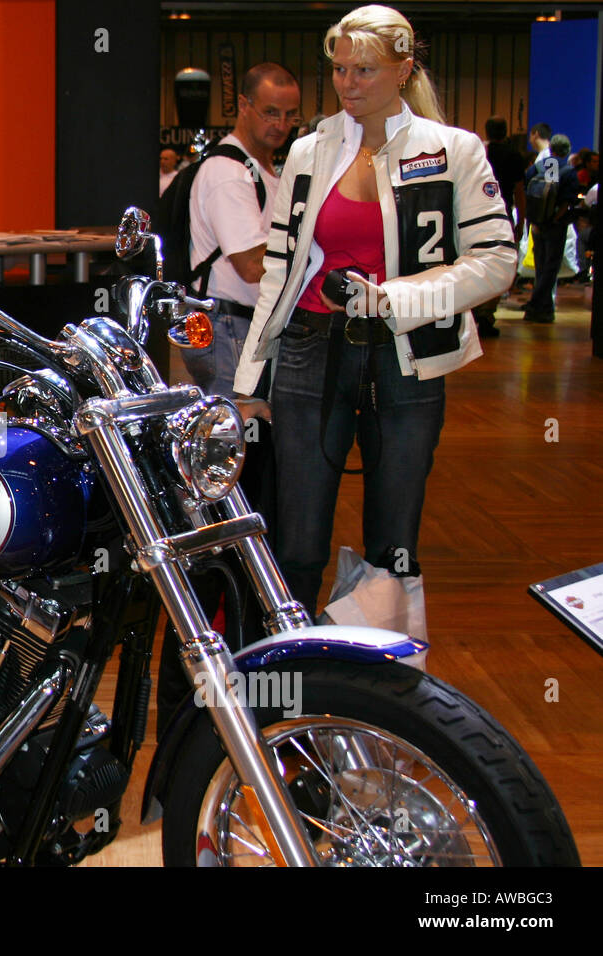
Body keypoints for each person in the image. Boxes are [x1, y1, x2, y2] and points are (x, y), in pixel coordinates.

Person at [232, 4, 515, 617]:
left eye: (363, 70)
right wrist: (251, 381)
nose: (346, 84)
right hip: (310, 350)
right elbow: (279, 271)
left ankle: (382, 685)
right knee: (296, 537)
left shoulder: (453, 150)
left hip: (406, 358)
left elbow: (497, 260)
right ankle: (289, 672)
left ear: (404, 69)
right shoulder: (309, 151)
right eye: (338, 70)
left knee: (395, 541)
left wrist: (396, 300)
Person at [182, 62, 300, 398]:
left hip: (243, 325)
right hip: (228, 326)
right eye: (270, 112)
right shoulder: (228, 172)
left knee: (249, 436)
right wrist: (307, 255)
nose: (281, 124)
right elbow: (250, 265)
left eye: (290, 115)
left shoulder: (262, 169)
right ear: (244, 105)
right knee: (232, 441)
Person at [471, 115, 526, 337]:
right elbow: (519, 191)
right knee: (496, 263)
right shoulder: (514, 156)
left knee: (473, 260)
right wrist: (521, 220)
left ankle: (473, 307)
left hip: (474, 214)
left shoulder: (479, 152)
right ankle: (486, 313)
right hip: (502, 215)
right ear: (506, 131)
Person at [522, 134, 583, 323]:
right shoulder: (567, 171)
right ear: (566, 151)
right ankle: (536, 306)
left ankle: (544, 309)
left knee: (541, 267)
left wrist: (536, 220)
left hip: (537, 225)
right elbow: (567, 201)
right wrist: (553, 219)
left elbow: (527, 192)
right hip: (555, 225)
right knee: (551, 268)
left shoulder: (538, 167)